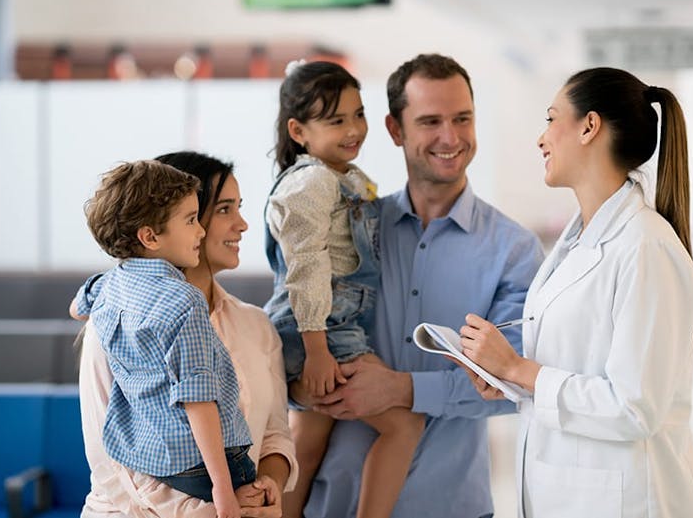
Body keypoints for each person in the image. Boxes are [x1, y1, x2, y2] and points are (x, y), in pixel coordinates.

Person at [300, 53, 545, 518]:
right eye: (430, 121)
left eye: (462, 119)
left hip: (453, 506)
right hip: (335, 504)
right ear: (395, 130)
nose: (450, 138)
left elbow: (515, 386)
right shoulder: (348, 229)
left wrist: (402, 389)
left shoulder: (514, 251)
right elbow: (300, 345)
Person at [457, 67, 693, 518]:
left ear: (589, 127)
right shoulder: (579, 240)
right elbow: (575, 366)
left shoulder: (645, 246)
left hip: (626, 500)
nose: (541, 138)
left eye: (552, 119)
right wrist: (510, 381)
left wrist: (519, 368)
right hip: (567, 493)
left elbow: (634, 406)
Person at [76, 152, 296, 518]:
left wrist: (267, 486)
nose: (241, 224)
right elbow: (111, 460)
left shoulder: (257, 325)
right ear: (154, 232)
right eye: (224, 209)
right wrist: (210, 508)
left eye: (240, 208)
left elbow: (275, 435)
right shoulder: (114, 319)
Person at [264, 60, 425, 518]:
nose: (354, 129)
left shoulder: (342, 177)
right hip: (324, 333)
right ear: (299, 130)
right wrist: (318, 350)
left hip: (324, 331)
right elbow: (307, 266)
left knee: (306, 446)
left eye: (358, 114)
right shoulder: (311, 181)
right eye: (336, 120)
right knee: (405, 425)